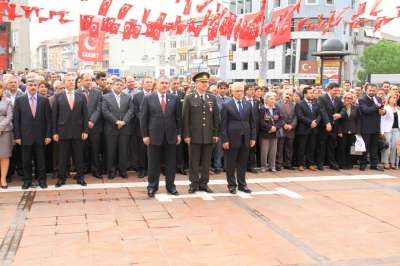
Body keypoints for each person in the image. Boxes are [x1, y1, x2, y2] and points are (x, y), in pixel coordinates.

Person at [140, 77, 181, 197]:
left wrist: (179, 134)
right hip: (154, 136)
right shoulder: (148, 98)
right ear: (156, 84)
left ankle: (171, 187)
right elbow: (143, 118)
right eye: (162, 83)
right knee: (153, 163)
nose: (164, 85)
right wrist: (145, 135)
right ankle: (152, 187)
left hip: (171, 136)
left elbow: (178, 118)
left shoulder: (174, 98)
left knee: (171, 163)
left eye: (166, 83)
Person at [183, 72, 219, 194]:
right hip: (194, 135)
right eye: (202, 82)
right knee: (193, 161)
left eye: (206, 82)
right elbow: (185, 118)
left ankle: (204, 183)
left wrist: (215, 134)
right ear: (196, 83)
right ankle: (193, 183)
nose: (205, 84)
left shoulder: (212, 98)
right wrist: (186, 135)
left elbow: (216, 118)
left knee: (206, 161)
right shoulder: (189, 97)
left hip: (208, 135)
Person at [13, 76, 52, 189]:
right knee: (26, 161)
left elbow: (48, 120)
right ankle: (27, 180)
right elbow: (16, 120)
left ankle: (42, 180)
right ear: (27, 87)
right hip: (25, 136)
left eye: (35, 85)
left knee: (41, 160)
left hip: (40, 136)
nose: (33, 87)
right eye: (30, 85)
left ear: (38, 87)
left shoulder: (44, 100)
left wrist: (48, 135)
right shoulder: (20, 100)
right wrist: (17, 136)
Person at [52, 73, 89, 187]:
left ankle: (80, 177)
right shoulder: (58, 97)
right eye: (68, 80)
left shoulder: (81, 96)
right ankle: (61, 179)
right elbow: (54, 116)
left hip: (78, 132)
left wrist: (85, 131)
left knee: (79, 157)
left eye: (73, 80)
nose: (71, 82)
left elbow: (85, 115)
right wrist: (54, 132)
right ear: (64, 83)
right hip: (63, 132)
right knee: (63, 157)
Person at [221, 82, 256, 194]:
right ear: (232, 92)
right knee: (230, 163)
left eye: (241, 90)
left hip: (245, 138)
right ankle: (231, 185)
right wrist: (225, 140)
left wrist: (252, 137)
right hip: (231, 139)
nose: (239, 93)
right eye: (237, 91)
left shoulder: (248, 105)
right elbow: (223, 124)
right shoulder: (227, 105)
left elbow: (252, 123)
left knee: (242, 163)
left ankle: (242, 184)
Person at [102, 78, 134, 179]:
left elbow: (131, 110)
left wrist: (124, 121)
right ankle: (111, 171)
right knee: (111, 151)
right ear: (113, 86)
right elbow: (105, 111)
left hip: (124, 128)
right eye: (117, 84)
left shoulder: (128, 97)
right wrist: (116, 121)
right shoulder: (105, 97)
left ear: (123, 86)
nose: (119, 86)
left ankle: (122, 170)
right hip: (111, 128)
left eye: (121, 85)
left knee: (123, 150)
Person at [78, 73, 103, 178]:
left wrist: (92, 120)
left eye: (90, 80)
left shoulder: (97, 93)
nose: (89, 82)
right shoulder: (76, 93)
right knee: (82, 149)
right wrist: (84, 122)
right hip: (81, 127)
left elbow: (99, 108)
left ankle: (95, 170)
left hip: (94, 126)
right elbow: (76, 111)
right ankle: (83, 169)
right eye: (86, 80)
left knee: (95, 149)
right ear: (81, 81)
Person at [316, 82, 345, 170]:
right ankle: (320, 163)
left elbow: (343, 108)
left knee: (331, 145)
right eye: (335, 90)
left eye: (338, 90)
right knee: (322, 145)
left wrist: (340, 114)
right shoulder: (322, 98)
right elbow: (322, 111)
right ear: (329, 89)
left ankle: (332, 163)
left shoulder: (338, 99)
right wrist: (327, 123)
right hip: (324, 126)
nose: (336, 92)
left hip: (335, 126)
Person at [359, 84, 386, 171]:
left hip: (376, 126)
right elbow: (366, 110)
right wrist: (376, 105)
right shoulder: (362, 99)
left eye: (374, 90)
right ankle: (363, 164)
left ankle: (374, 164)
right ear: (366, 90)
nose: (372, 92)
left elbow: (382, 109)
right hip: (366, 127)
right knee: (365, 147)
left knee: (374, 147)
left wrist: (383, 112)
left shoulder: (378, 98)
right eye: (370, 90)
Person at [132, 76, 154, 178]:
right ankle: (142, 169)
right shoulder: (137, 96)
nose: (149, 84)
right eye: (147, 82)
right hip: (141, 126)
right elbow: (135, 111)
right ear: (142, 84)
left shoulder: (155, 94)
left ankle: (152, 169)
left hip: (154, 127)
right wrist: (144, 120)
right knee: (142, 149)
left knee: (153, 148)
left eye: (150, 82)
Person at [295, 87, 321, 171]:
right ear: (305, 94)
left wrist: (316, 122)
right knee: (302, 148)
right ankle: (300, 164)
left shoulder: (316, 104)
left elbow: (319, 115)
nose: (312, 94)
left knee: (311, 147)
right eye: (310, 93)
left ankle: (310, 163)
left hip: (314, 129)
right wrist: (310, 122)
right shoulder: (299, 104)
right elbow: (300, 116)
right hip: (303, 129)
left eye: (312, 93)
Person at [259, 92, 284, 172]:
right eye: (271, 99)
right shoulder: (262, 109)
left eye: (274, 99)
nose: (273, 100)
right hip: (265, 133)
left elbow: (281, 120)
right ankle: (263, 166)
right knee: (264, 151)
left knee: (273, 151)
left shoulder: (276, 108)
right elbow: (261, 121)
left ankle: (272, 166)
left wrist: (275, 128)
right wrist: (270, 127)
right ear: (266, 100)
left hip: (274, 132)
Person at [337, 92, 360, 169]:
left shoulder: (356, 108)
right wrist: (339, 131)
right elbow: (338, 121)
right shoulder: (341, 107)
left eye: (349, 98)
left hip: (352, 131)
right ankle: (342, 164)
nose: (347, 99)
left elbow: (358, 121)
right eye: (346, 98)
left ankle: (349, 163)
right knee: (342, 148)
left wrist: (357, 132)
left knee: (350, 148)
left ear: (352, 99)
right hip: (343, 131)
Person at [276, 89, 297, 170]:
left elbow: (296, 117)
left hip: (291, 130)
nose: (288, 96)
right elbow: (277, 116)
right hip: (281, 129)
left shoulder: (294, 105)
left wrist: (292, 125)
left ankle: (288, 163)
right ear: (283, 94)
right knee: (280, 148)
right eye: (287, 94)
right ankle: (279, 164)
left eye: (290, 95)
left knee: (289, 148)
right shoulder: (277, 104)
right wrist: (284, 124)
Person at [212, 81, 231, 174]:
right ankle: (217, 166)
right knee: (218, 148)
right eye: (221, 88)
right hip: (218, 127)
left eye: (224, 88)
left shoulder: (230, 99)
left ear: (227, 89)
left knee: (228, 147)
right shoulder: (214, 99)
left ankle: (227, 165)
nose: (223, 90)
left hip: (228, 127)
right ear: (218, 89)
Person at [380, 93, 400, 169]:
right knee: (387, 146)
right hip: (387, 129)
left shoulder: (398, 108)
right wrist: (381, 131)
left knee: (394, 147)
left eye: (396, 97)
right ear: (389, 99)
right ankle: (385, 162)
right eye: (393, 97)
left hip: (396, 130)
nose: (395, 99)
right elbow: (382, 120)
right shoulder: (385, 108)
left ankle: (393, 162)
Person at [244, 84, 260, 173]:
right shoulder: (242, 101)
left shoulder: (256, 102)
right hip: (245, 127)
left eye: (253, 89)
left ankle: (252, 165)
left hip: (254, 127)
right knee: (244, 147)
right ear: (245, 91)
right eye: (250, 89)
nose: (252, 91)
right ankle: (244, 165)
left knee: (253, 147)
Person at [0, 82, 13, 189]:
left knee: (4, 156)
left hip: (5, 132)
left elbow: (9, 116)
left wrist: (0, 127)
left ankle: (3, 178)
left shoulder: (8, 101)